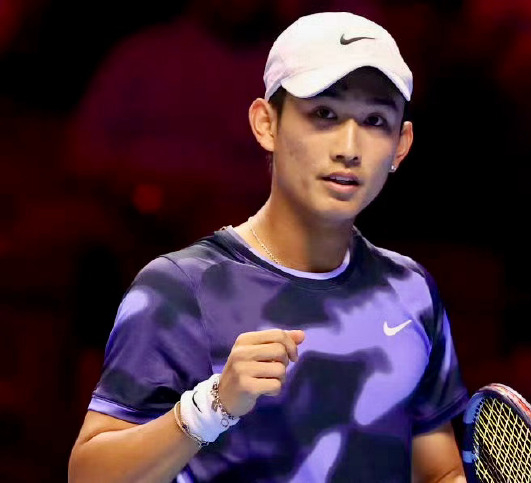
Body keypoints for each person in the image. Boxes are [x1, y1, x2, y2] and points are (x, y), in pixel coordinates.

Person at [68, 11, 469, 482]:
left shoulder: (412, 292)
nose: (349, 147)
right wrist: (210, 407)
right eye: (324, 114)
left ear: (401, 145)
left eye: (375, 120)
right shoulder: (179, 288)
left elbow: (438, 472)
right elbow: (88, 476)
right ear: (266, 124)